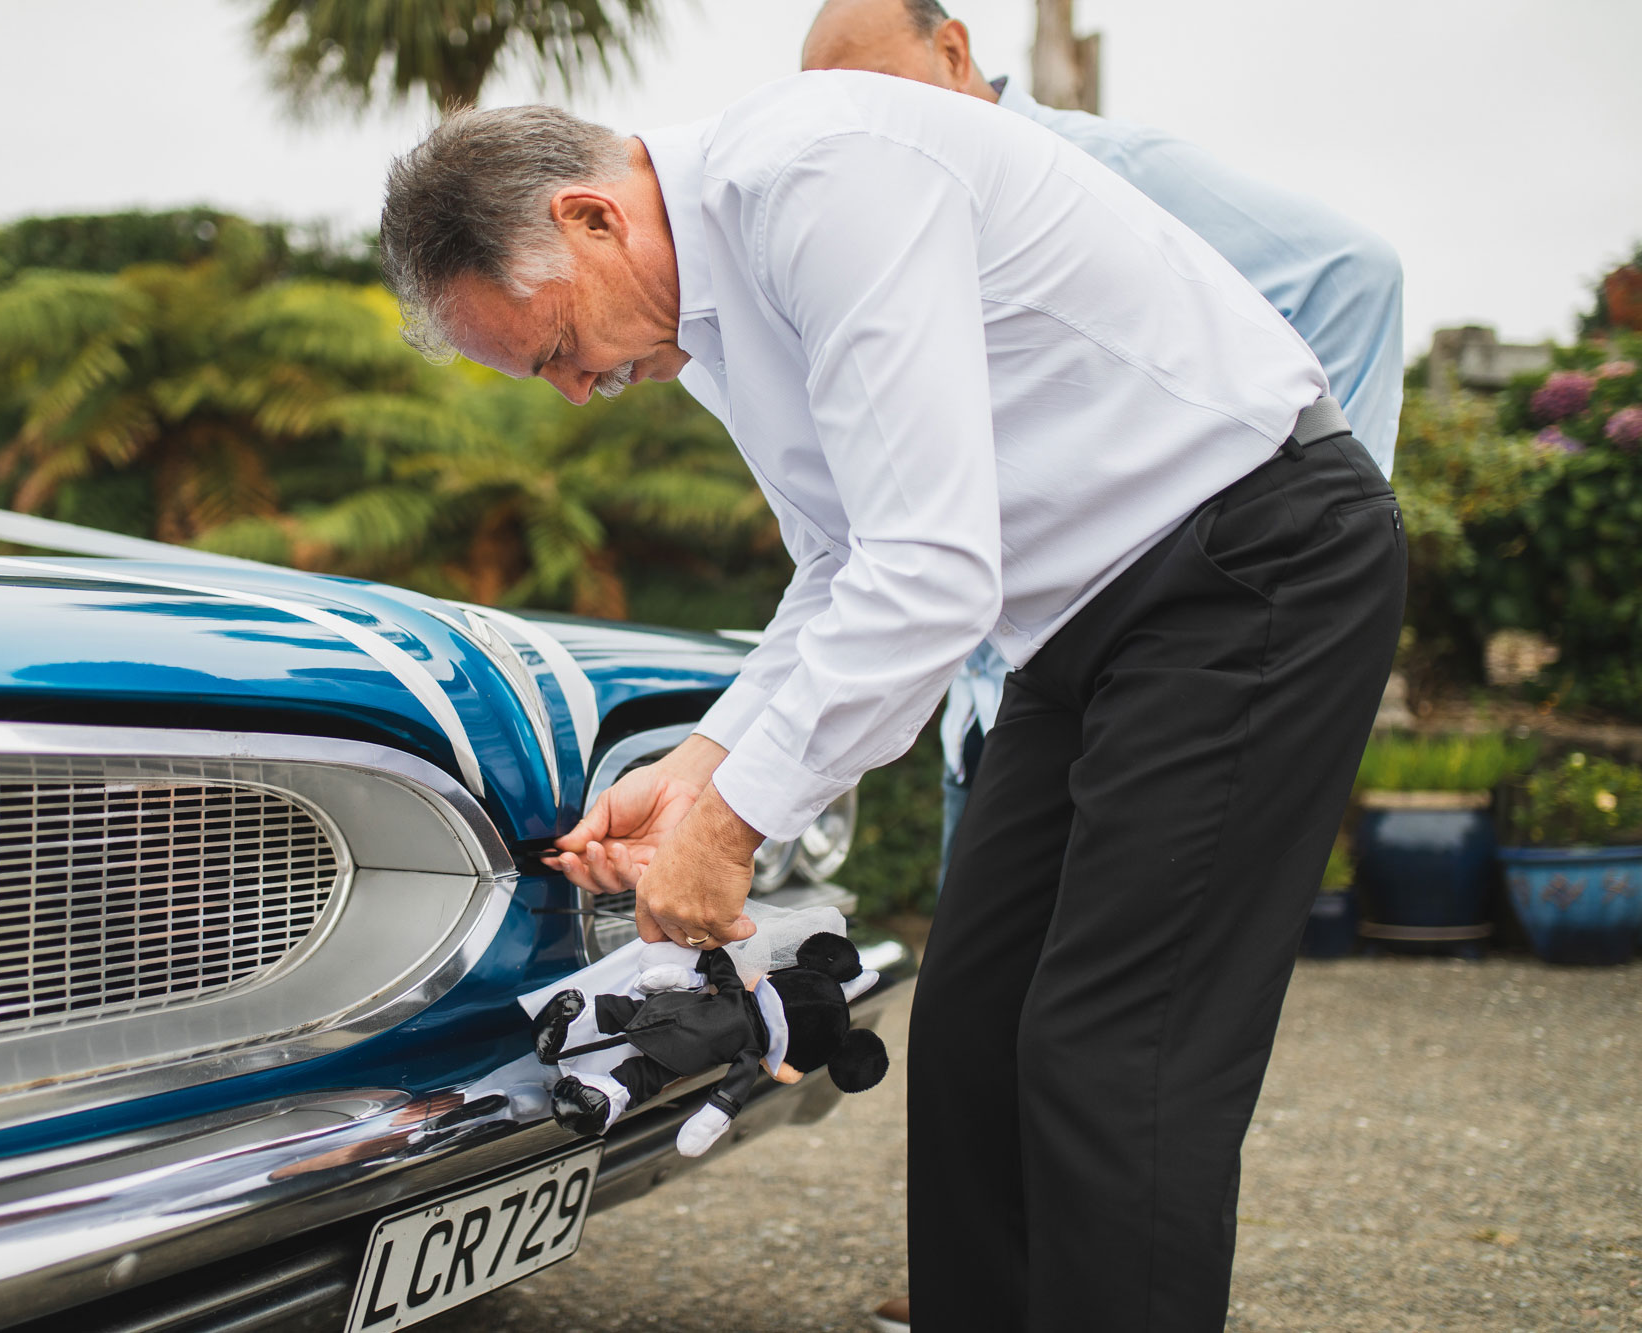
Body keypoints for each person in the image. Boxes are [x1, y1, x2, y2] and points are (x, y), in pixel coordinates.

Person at [379, 64, 1405, 1332]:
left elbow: (927, 571)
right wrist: (701, 765)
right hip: (1076, 623)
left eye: (552, 349)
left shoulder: (821, 173)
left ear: (594, 219)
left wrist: (731, 827)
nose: (575, 390)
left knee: (1108, 1054)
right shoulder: (695, 318)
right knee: (971, 1040)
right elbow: (841, 567)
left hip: (1252, 562)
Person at [799, 0, 1406, 913]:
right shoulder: (902, 228)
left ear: (954, 51)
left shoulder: (1106, 169)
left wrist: (1313, 541)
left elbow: (1355, 277)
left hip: (1147, 679)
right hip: (996, 706)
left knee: (1117, 1021)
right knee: (983, 1024)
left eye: (873, 93)